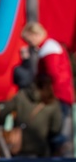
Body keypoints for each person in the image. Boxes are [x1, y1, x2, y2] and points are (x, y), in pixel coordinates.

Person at [21, 22, 73, 155]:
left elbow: (52, 75)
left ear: (35, 34)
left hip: (56, 96)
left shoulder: (49, 50)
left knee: (57, 133)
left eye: (29, 39)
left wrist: (42, 90)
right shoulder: (50, 47)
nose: (30, 43)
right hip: (60, 95)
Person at [0, 72, 63, 158]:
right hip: (41, 149)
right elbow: (56, 128)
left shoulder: (21, 95)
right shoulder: (52, 102)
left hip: (19, 145)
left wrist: (5, 128)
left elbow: (3, 112)